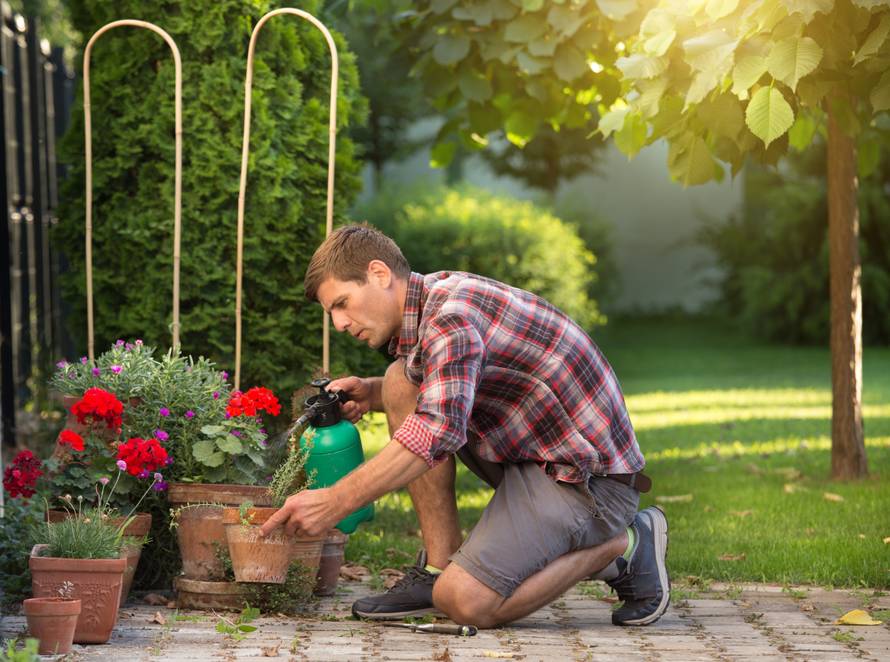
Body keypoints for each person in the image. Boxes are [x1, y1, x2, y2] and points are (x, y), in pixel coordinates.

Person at [260, 224, 669, 629]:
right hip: (541, 457)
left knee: (466, 602)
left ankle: (625, 544)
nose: (340, 323)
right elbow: (447, 387)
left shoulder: (451, 318)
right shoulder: (434, 298)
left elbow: (438, 432)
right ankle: (438, 568)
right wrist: (374, 392)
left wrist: (334, 501)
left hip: (589, 484)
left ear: (379, 274)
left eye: (342, 303)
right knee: (403, 382)